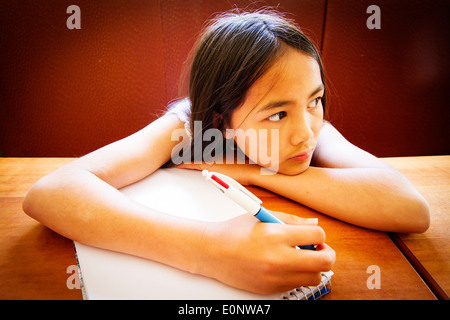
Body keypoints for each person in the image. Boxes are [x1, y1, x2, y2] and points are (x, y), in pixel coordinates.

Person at [22, 9, 429, 294]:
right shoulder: (187, 126)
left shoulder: (310, 128)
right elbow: (51, 192)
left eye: (315, 99)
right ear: (221, 120)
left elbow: (410, 208)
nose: (305, 132)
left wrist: (252, 173)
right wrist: (208, 251)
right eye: (277, 115)